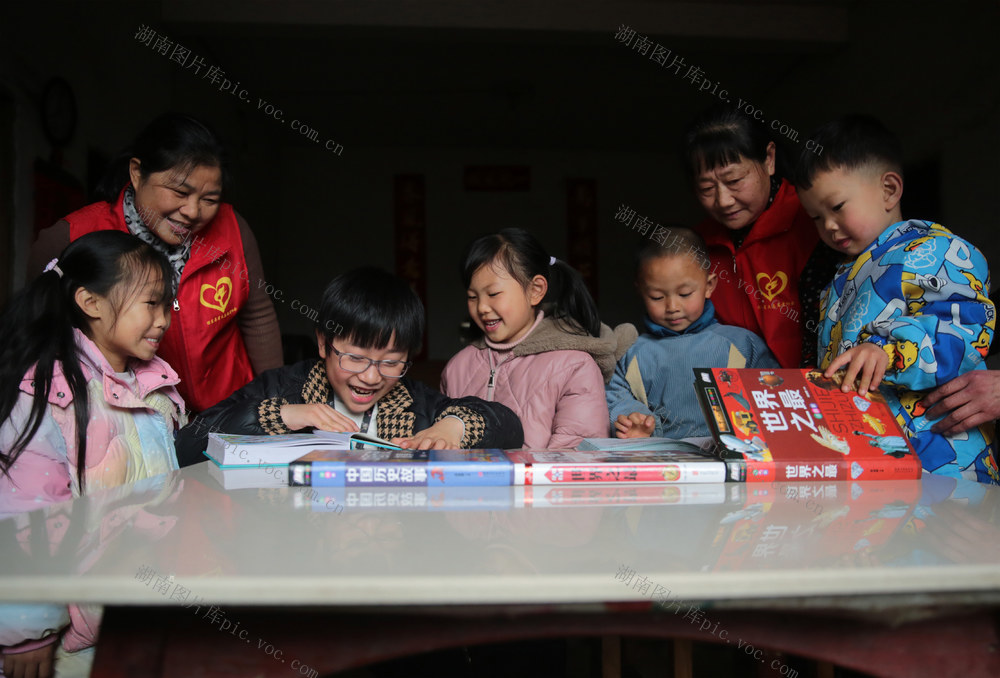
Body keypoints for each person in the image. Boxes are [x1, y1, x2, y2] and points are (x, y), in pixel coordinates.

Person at [0, 231, 185, 677]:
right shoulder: (48, 393)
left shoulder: (157, 389)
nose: (163, 320)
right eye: (150, 304)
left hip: (128, 617)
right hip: (62, 637)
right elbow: (27, 520)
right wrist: (28, 630)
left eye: (167, 306)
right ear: (90, 301)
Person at [27, 113, 282, 413]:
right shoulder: (76, 236)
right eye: (180, 192)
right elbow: (38, 330)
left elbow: (258, 317)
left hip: (229, 414)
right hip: (125, 416)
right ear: (136, 173)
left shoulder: (233, 230)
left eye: (209, 199)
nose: (192, 211)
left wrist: (273, 402)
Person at [794, 114, 997, 484]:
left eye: (837, 207)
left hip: (944, 457)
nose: (828, 226)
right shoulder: (839, 282)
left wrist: (887, 352)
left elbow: (963, 331)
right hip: (877, 459)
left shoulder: (935, 249)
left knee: (948, 539)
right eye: (815, 218)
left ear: (889, 189)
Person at [176, 267, 523, 463]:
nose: (371, 377)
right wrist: (285, 415)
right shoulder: (282, 388)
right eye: (355, 357)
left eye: (391, 362)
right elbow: (184, 446)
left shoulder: (417, 404)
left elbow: (509, 427)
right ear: (324, 343)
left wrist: (452, 429)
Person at [440, 228, 636, 449]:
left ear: (536, 290)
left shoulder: (574, 365)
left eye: (493, 294)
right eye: (472, 297)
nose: (482, 307)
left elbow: (578, 453)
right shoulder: (457, 367)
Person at [682, 104, 841, 368]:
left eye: (734, 181)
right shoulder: (696, 245)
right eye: (707, 188)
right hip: (735, 396)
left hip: (811, 392)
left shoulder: (815, 224)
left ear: (769, 159)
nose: (723, 200)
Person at [607, 229, 779, 439]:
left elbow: (774, 396)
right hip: (664, 463)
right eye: (657, 297)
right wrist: (634, 420)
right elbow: (614, 396)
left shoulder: (742, 344)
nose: (672, 306)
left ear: (709, 286)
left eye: (685, 294)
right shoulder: (632, 353)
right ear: (640, 291)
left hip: (734, 459)